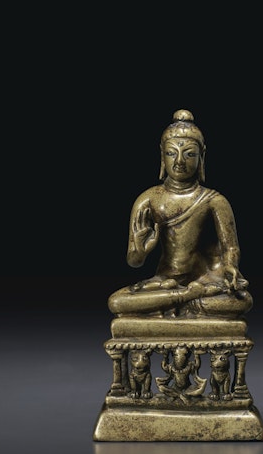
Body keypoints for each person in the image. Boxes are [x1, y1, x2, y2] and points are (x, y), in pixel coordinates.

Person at [107, 109, 253, 319]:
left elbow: (230, 247)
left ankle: (175, 302)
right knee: (116, 302)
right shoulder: (148, 200)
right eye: (171, 153)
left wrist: (231, 266)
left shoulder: (214, 200)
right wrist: (140, 250)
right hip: (164, 281)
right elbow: (134, 261)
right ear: (162, 155)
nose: (179, 161)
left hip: (206, 280)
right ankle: (186, 298)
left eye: (190, 154)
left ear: (202, 156)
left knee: (243, 300)